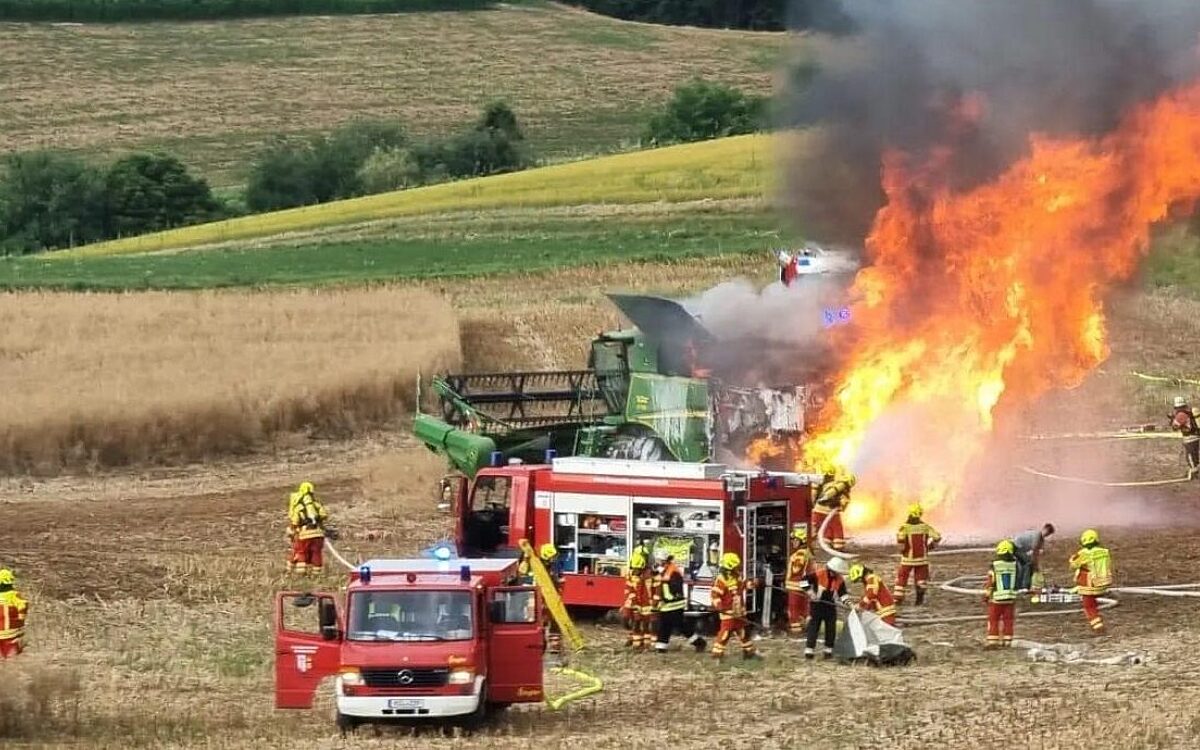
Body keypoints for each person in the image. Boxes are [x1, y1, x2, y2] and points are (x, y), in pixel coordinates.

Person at [799, 556, 851, 660]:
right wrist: (810, 592)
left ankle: (828, 650)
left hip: (830, 605)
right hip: (817, 604)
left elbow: (843, 593)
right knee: (814, 627)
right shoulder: (819, 574)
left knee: (831, 627)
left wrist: (848, 603)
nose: (835, 574)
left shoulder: (839, 579)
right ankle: (809, 650)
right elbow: (803, 581)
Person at [710, 553, 760, 661]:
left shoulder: (737, 575)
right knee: (725, 634)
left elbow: (743, 585)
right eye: (736, 566)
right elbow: (715, 594)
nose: (738, 567)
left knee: (743, 632)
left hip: (738, 611)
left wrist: (753, 583)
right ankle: (717, 655)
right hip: (728, 612)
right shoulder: (721, 579)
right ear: (729, 566)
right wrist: (719, 606)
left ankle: (749, 652)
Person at [652, 554, 706, 654]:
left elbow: (673, 587)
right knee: (665, 626)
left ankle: (699, 643)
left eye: (659, 560)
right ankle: (661, 647)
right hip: (666, 605)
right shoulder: (664, 570)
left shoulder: (673, 571)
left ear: (664, 561)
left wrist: (664, 598)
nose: (657, 562)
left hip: (674, 604)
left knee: (680, 626)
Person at [895, 503, 942, 606]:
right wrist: (930, 547)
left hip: (907, 560)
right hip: (922, 559)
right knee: (921, 579)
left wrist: (902, 551)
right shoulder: (925, 527)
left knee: (902, 578)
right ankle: (919, 601)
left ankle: (898, 600)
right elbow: (937, 537)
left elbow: (901, 544)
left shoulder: (904, 527)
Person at [1069, 529, 1112, 635]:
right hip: (1102, 583)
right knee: (1093, 603)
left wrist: (1072, 558)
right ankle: (1098, 625)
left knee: (1089, 607)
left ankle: (1098, 627)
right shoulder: (1104, 552)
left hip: (1089, 585)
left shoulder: (1084, 553)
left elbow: (1074, 565)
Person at [287, 481, 328, 576]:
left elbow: (295, 521)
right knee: (316, 554)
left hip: (304, 535)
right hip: (318, 534)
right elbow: (324, 515)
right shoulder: (316, 504)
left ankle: (301, 574)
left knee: (302, 553)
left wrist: (292, 530)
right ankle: (316, 574)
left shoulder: (299, 507)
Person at [984, 540, 1018, 649]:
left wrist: (986, 595)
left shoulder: (995, 565)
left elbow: (991, 581)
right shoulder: (1014, 565)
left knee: (993, 619)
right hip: (1010, 598)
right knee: (1008, 620)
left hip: (997, 599)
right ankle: (1008, 640)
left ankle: (993, 641)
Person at [811, 475, 855, 552]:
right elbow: (844, 502)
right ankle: (837, 546)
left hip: (817, 510)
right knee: (837, 530)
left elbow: (814, 495)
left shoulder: (826, 484)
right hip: (831, 513)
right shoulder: (843, 489)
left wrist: (813, 504)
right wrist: (842, 507)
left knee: (813, 529)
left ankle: (823, 543)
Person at [622, 551, 654, 651]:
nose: (635, 570)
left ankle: (644, 644)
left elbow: (650, 591)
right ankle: (635, 640)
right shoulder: (630, 574)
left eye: (637, 569)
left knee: (645, 624)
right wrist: (630, 604)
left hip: (646, 604)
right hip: (633, 603)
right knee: (630, 622)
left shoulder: (648, 576)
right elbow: (629, 589)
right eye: (634, 568)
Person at [784, 526, 813, 638]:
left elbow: (797, 569)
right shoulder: (806, 552)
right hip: (802, 584)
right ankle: (805, 628)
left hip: (795, 585)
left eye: (795, 540)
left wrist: (788, 576)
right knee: (803, 608)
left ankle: (796, 632)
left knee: (794, 609)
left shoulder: (800, 553)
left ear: (801, 540)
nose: (793, 542)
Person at [1012, 523, 1056, 595]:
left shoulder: (1041, 539)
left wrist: (1037, 565)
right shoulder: (1037, 535)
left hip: (1020, 549)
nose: (1047, 535)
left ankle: (1022, 586)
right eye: (1047, 532)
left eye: (1048, 534)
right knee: (1027, 565)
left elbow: (1037, 554)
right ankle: (1023, 587)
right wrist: (1035, 565)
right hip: (1016, 547)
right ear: (1044, 529)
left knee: (1026, 565)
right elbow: (1035, 553)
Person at [1169, 396, 1200, 477]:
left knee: (1190, 456)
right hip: (1195, 437)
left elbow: (1175, 427)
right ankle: (1194, 470)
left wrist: (1172, 419)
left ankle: (1194, 472)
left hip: (1190, 438)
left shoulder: (1181, 415)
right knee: (1194, 455)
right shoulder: (1188, 412)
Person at [0, 569, 28, 658]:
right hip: (11, 632)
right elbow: (23, 606)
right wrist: (21, 620)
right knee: (11, 656)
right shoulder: (14, 595)